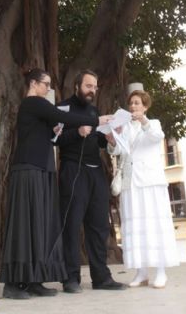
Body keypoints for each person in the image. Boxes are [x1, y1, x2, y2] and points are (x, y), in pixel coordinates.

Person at [0, 68, 113, 300]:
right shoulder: (33, 102)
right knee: (24, 225)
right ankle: (12, 284)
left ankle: (33, 281)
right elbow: (67, 118)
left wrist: (56, 131)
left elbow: (52, 135)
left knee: (39, 225)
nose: (48, 88)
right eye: (45, 83)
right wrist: (96, 120)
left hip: (42, 169)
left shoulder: (41, 108)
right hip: (28, 168)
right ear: (33, 83)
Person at [56, 70, 127, 293]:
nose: (92, 91)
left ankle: (101, 277)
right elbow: (57, 140)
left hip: (96, 173)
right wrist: (77, 131)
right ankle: (71, 278)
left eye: (95, 87)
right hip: (72, 170)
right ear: (77, 85)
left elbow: (97, 141)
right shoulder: (62, 108)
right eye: (88, 86)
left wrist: (108, 138)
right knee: (72, 225)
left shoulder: (95, 111)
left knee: (99, 226)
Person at [106, 89, 178, 289]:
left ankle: (161, 271)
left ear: (145, 106)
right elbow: (120, 150)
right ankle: (141, 272)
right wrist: (112, 141)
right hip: (130, 183)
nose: (133, 106)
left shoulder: (153, 124)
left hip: (150, 181)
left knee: (154, 225)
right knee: (134, 227)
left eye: (137, 103)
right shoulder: (126, 127)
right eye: (131, 103)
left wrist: (144, 120)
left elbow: (157, 137)